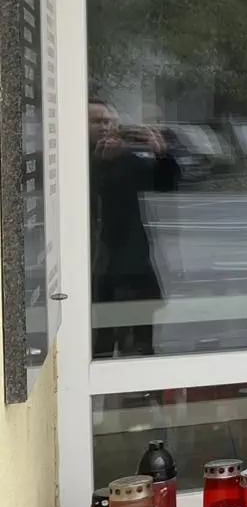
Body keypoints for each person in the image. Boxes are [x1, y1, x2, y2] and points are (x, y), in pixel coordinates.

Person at [89, 99, 179, 359]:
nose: (105, 128)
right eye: (98, 122)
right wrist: (99, 163)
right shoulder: (74, 160)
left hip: (131, 262)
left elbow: (164, 184)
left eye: (110, 122)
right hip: (94, 267)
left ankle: (139, 394)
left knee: (139, 344)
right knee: (99, 344)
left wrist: (162, 154)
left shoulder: (126, 158)